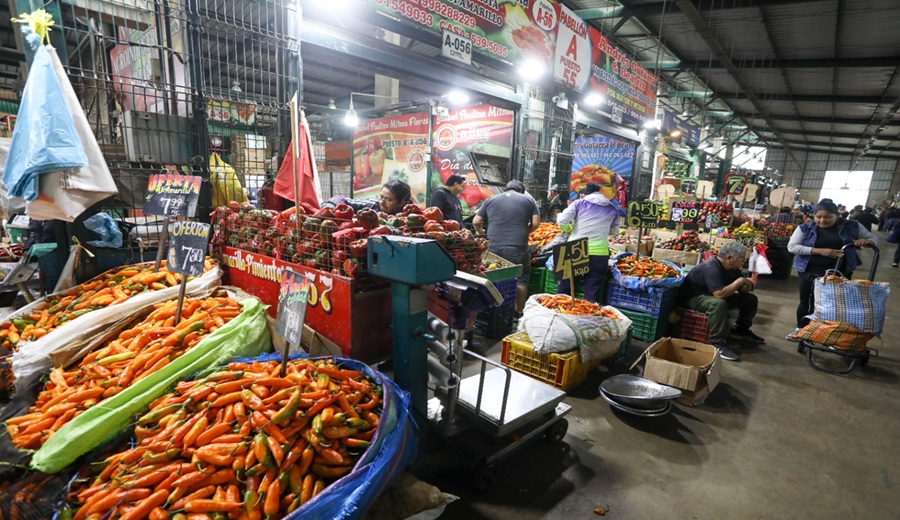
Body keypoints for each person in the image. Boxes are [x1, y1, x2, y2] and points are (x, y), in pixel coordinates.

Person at [786, 198, 877, 340]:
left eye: (828, 217)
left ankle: (827, 332)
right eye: (818, 217)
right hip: (809, 271)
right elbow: (792, 247)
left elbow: (873, 238)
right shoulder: (805, 228)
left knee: (835, 304)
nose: (822, 221)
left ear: (837, 215)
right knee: (807, 302)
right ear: (813, 216)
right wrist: (819, 251)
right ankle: (801, 329)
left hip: (841, 272)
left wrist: (867, 241)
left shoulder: (853, 226)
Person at [681, 242, 763, 362]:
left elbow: (741, 290)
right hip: (694, 298)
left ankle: (741, 329)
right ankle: (716, 342)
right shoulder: (711, 268)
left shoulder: (733, 269)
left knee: (750, 299)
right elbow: (719, 295)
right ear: (730, 258)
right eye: (741, 258)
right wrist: (740, 281)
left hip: (711, 296)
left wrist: (748, 284)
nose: (743, 261)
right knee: (719, 304)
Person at [473, 180, 540, 313]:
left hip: (494, 245)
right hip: (518, 246)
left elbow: (476, 221)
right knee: (520, 279)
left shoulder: (490, 200)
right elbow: (536, 223)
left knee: (493, 276)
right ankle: (518, 311)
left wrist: (480, 231)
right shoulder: (529, 200)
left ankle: (492, 310)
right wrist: (526, 231)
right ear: (521, 190)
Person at [554, 182, 619, 303]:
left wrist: (568, 229)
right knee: (592, 292)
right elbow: (614, 231)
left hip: (575, 248)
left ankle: (559, 316)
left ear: (585, 194)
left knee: (564, 287)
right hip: (600, 253)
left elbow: (562, 221)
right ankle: (588, 319)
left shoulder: (579, 203)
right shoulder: (611, 208)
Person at [325, 180, 413, 216]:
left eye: (388, 199)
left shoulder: (408, 215)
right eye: (381, 197)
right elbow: (342, 199)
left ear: (401, 203)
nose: (382, 202)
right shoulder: (372, 205)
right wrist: (329, 206)